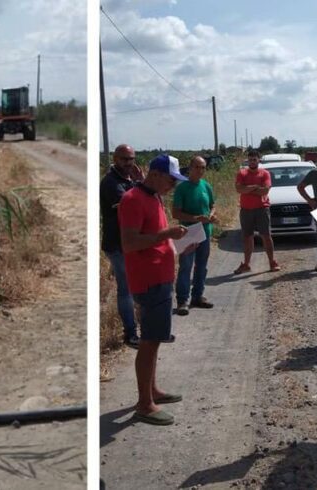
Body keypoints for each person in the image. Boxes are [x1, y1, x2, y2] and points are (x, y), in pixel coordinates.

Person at [119, 153, 189, 426]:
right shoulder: (133, 200)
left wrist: (177, 243)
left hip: (159, 279)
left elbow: (155, 237)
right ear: (156, 174)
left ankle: (153, 391)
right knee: (148, 341)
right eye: (171, 180)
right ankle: (144, 404)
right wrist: (167, 235)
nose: (173, 185)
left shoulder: (153, 197)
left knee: (156, 338)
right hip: (147, 281)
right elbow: (130, 243)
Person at [100, 144, 143, 349]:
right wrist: (140, 185)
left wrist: (139, 182)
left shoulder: (129, 180)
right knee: (126, 288)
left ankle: (141, 325)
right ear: (115, 159)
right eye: (124, 159)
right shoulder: (110, 182)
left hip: (131, 242)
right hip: (117, 244)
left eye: (131, 159)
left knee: (135, 286)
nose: (128, 163)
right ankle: (130, 332)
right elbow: (129, 204)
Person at [172, 156, 217, 315]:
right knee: (186, 266)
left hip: (205, 232)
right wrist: (195, 219)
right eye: (197, 167)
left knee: (202, 266)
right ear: (190, 168)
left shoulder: (206, 185)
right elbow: (175, 212)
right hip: (187, 233)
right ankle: (182, 301)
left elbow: (212, 205)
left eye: (203, 167)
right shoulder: (182, 187)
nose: (200, 171)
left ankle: (197, 296)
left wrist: (211, 215)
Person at [234, 149, 280, 274]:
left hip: (262, 209)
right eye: (250, 160)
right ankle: (246, 264)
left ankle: (272, 262)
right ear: (247, 160)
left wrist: (247, 189)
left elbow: (265, 191)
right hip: (246, 210)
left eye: (255, 159)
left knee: (266, 236)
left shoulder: (265, 173)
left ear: (259, 160)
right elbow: (239, 189)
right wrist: (255, 188)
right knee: (247, 237)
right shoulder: (242, 173)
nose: (252, 162)